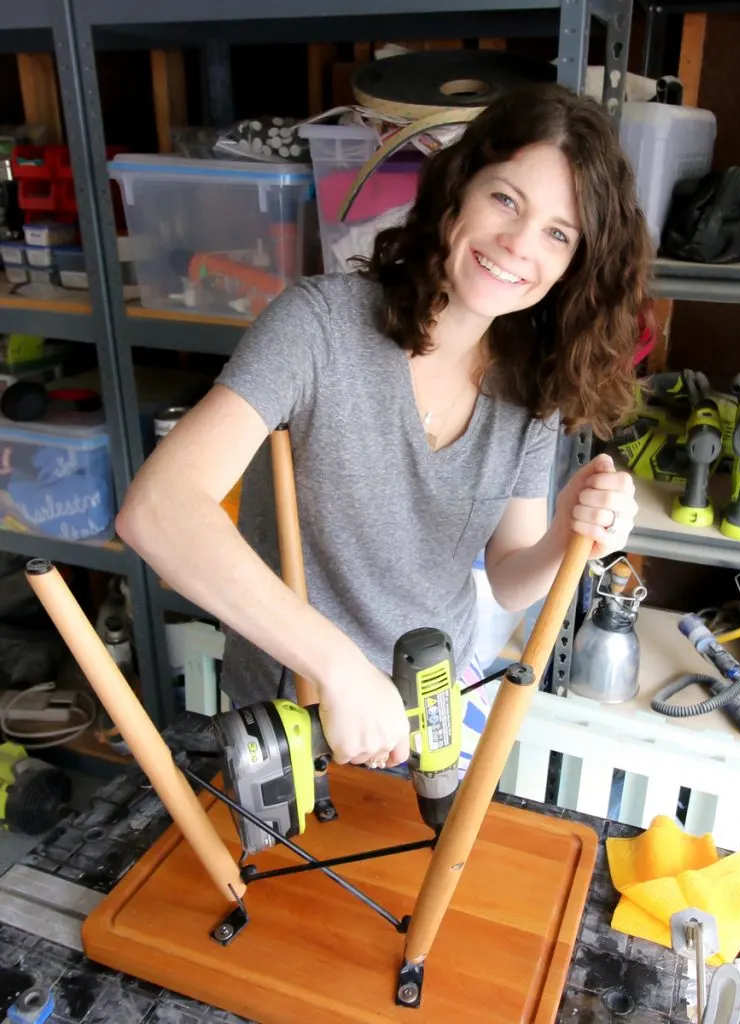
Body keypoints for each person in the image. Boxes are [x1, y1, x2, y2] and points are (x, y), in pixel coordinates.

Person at [116, 82, 652, 774]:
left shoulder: (533, 383)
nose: (520, 244)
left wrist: (567, 534)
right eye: (505, 199)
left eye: (558, 232)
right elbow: (158, 511)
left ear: (577, 263)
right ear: (458, 192)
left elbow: (510, 575)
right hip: (299, 713)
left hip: (432, 712)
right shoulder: (320, 327)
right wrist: (338, 666)